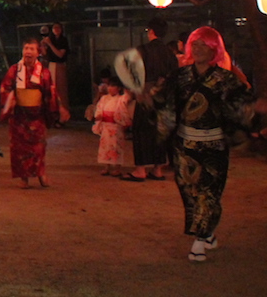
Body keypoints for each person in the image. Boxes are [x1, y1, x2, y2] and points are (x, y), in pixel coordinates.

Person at [151, 27, 267, 262]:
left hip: (213, 146)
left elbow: (242, 105)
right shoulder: (180, 76)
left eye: (205, 45)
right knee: (189, 193)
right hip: (184, 147)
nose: (199, 48)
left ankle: (199, 241)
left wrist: (255, 109)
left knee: (209, 194)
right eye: (196, 44)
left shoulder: (226, 79)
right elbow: (164, 101)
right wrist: (148, 97)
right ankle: (208, 232)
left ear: (214, 49)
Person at [0, 36, 62, 188]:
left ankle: (41, 174)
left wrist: (56, 108)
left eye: (31, 49)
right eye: (26, 48)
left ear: (37, 52)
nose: (28, 51)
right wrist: (10, 99)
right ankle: (24, 178)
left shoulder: (44, 73)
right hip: (19, 116)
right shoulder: (14, 70)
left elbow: (50, 93)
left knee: (38, 147)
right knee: (19, 148)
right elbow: (4, 89)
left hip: (37, 116)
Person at [126, 17, 179, 182]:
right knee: (160, 131)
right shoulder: (170, 53)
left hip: (145, 94)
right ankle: (157, 169)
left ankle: (140, 169)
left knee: (141, 130)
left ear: (151, 31)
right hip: (163, 96)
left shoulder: (143, 50)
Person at [94, 80, 134, 176]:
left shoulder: (121, 98)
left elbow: (129, 97)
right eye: (109, 86)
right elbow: (99, 109)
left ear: (119, 88)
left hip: (116, 126)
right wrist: (99, 116)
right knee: (105, 146)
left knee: (116, 147)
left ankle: (117, 168)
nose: (110, 88)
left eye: (113, 86)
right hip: (106, 125)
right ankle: (106, 167)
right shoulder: (104, 98)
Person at [41, 22, 70, 120]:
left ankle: (63, 116)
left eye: (58, 28)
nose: (56, 30)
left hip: (59, 65)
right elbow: (45, 54)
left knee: (60, 90)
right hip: (51, 65)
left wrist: (50, 44)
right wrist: (43, 46)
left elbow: (60, 55)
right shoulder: (51, 39)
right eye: (54, 28)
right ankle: (53, 115)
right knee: (51, 90)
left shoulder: (63, 40)